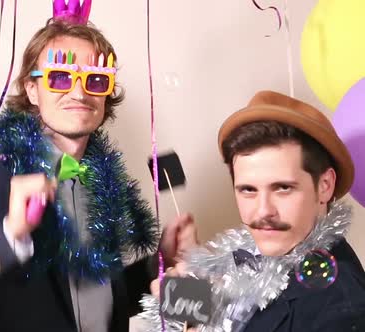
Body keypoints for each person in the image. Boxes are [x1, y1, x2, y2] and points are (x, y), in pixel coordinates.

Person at [0, 2, 193, 331]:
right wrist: (11, 235)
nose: (79, 91)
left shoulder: (103, 185)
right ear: (32, 89)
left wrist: (158, 262)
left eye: (96, 79)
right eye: (59, 77)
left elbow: (96, 303)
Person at [150, 90, 365, 331]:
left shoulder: (342, 313)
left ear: (325, 186)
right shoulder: (256, 256)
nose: (263, 212)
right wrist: (180, 299)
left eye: (283, 188)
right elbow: (241, 311)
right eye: (248, 190)